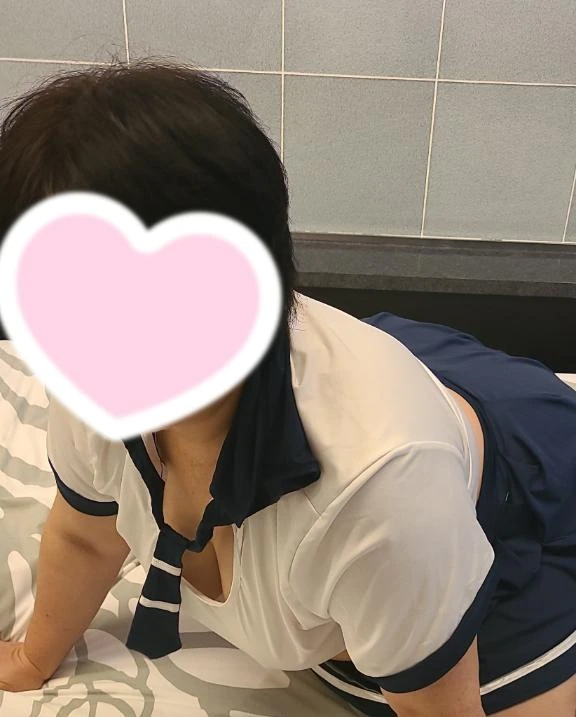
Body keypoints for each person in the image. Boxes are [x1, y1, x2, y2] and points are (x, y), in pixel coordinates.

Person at [0, 61, 575, 717]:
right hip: (397, 377)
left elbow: (434, 707)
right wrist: (32, 657)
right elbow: (86, 535)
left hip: (517, 487)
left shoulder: (379, 494)